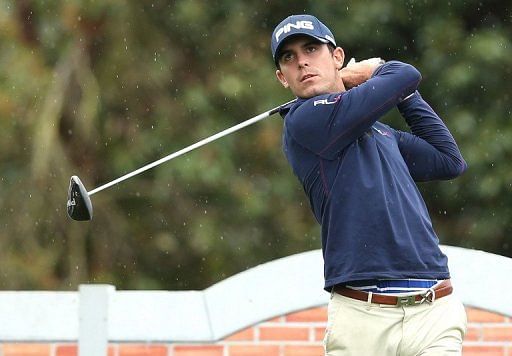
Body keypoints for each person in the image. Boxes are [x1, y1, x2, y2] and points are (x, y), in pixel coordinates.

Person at [270, 14, 468, 355]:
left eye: (311, 48)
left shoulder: (381, 132)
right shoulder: (304, 120)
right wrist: (372, 71)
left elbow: (449, 160)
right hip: (363, 317)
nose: (301, 61)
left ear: (337, 57)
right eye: (288, 57)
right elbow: (405, 74)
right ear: (282, 78)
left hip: (433, 307)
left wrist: (404, 97)